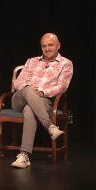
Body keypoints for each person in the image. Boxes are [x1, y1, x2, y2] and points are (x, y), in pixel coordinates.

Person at [10, 33, 73, 168]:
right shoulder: (31, 61)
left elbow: (62, 87)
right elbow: (18, 82)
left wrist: (43, 92)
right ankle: (50, 126)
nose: (47, 48)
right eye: (44, 46)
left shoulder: (66, 64)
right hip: (19, 99)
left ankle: (24, 155)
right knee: (28, 90)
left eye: (50, 45)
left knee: (29, 109)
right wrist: (29, 89)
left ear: (58, 46)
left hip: (44, 100)